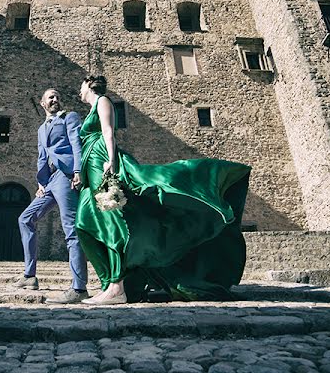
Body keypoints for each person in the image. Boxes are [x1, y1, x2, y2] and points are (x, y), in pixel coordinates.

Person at [75, 75, 251, 305]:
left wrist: (111, 162)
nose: (78, 90)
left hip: (102, 161)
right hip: (91, 165)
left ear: (89, 84)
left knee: (113, 221)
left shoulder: (103, 101)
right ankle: (112, 283)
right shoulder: (90, 110)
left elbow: (108, 132)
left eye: (81, 85)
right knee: (85, 221)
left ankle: (116, 286)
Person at [15, 88, 90, 303]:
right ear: (42, 103)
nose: (55, 99)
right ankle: (29, 276)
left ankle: (79, 288)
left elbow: (77, 143)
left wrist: (77, 171)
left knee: (71, 231)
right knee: (25, 219)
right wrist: (41, 182)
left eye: (57, 96)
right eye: (51, 97)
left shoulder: (69, 117)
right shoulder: (41, 129)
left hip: (66, 177)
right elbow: (41, 156)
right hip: (50, 181)